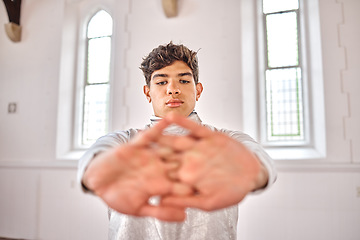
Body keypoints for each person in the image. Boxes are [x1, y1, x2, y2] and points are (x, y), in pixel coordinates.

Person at [78, 42, 276, 240]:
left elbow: (260, 161)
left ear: (198, 90)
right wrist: (95, 170)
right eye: (161, 82)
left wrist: (254, 172)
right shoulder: (124, 142)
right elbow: (96, 156)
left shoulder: (226, 141)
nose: (173, 89)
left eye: (183, 81)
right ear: (147, 92)